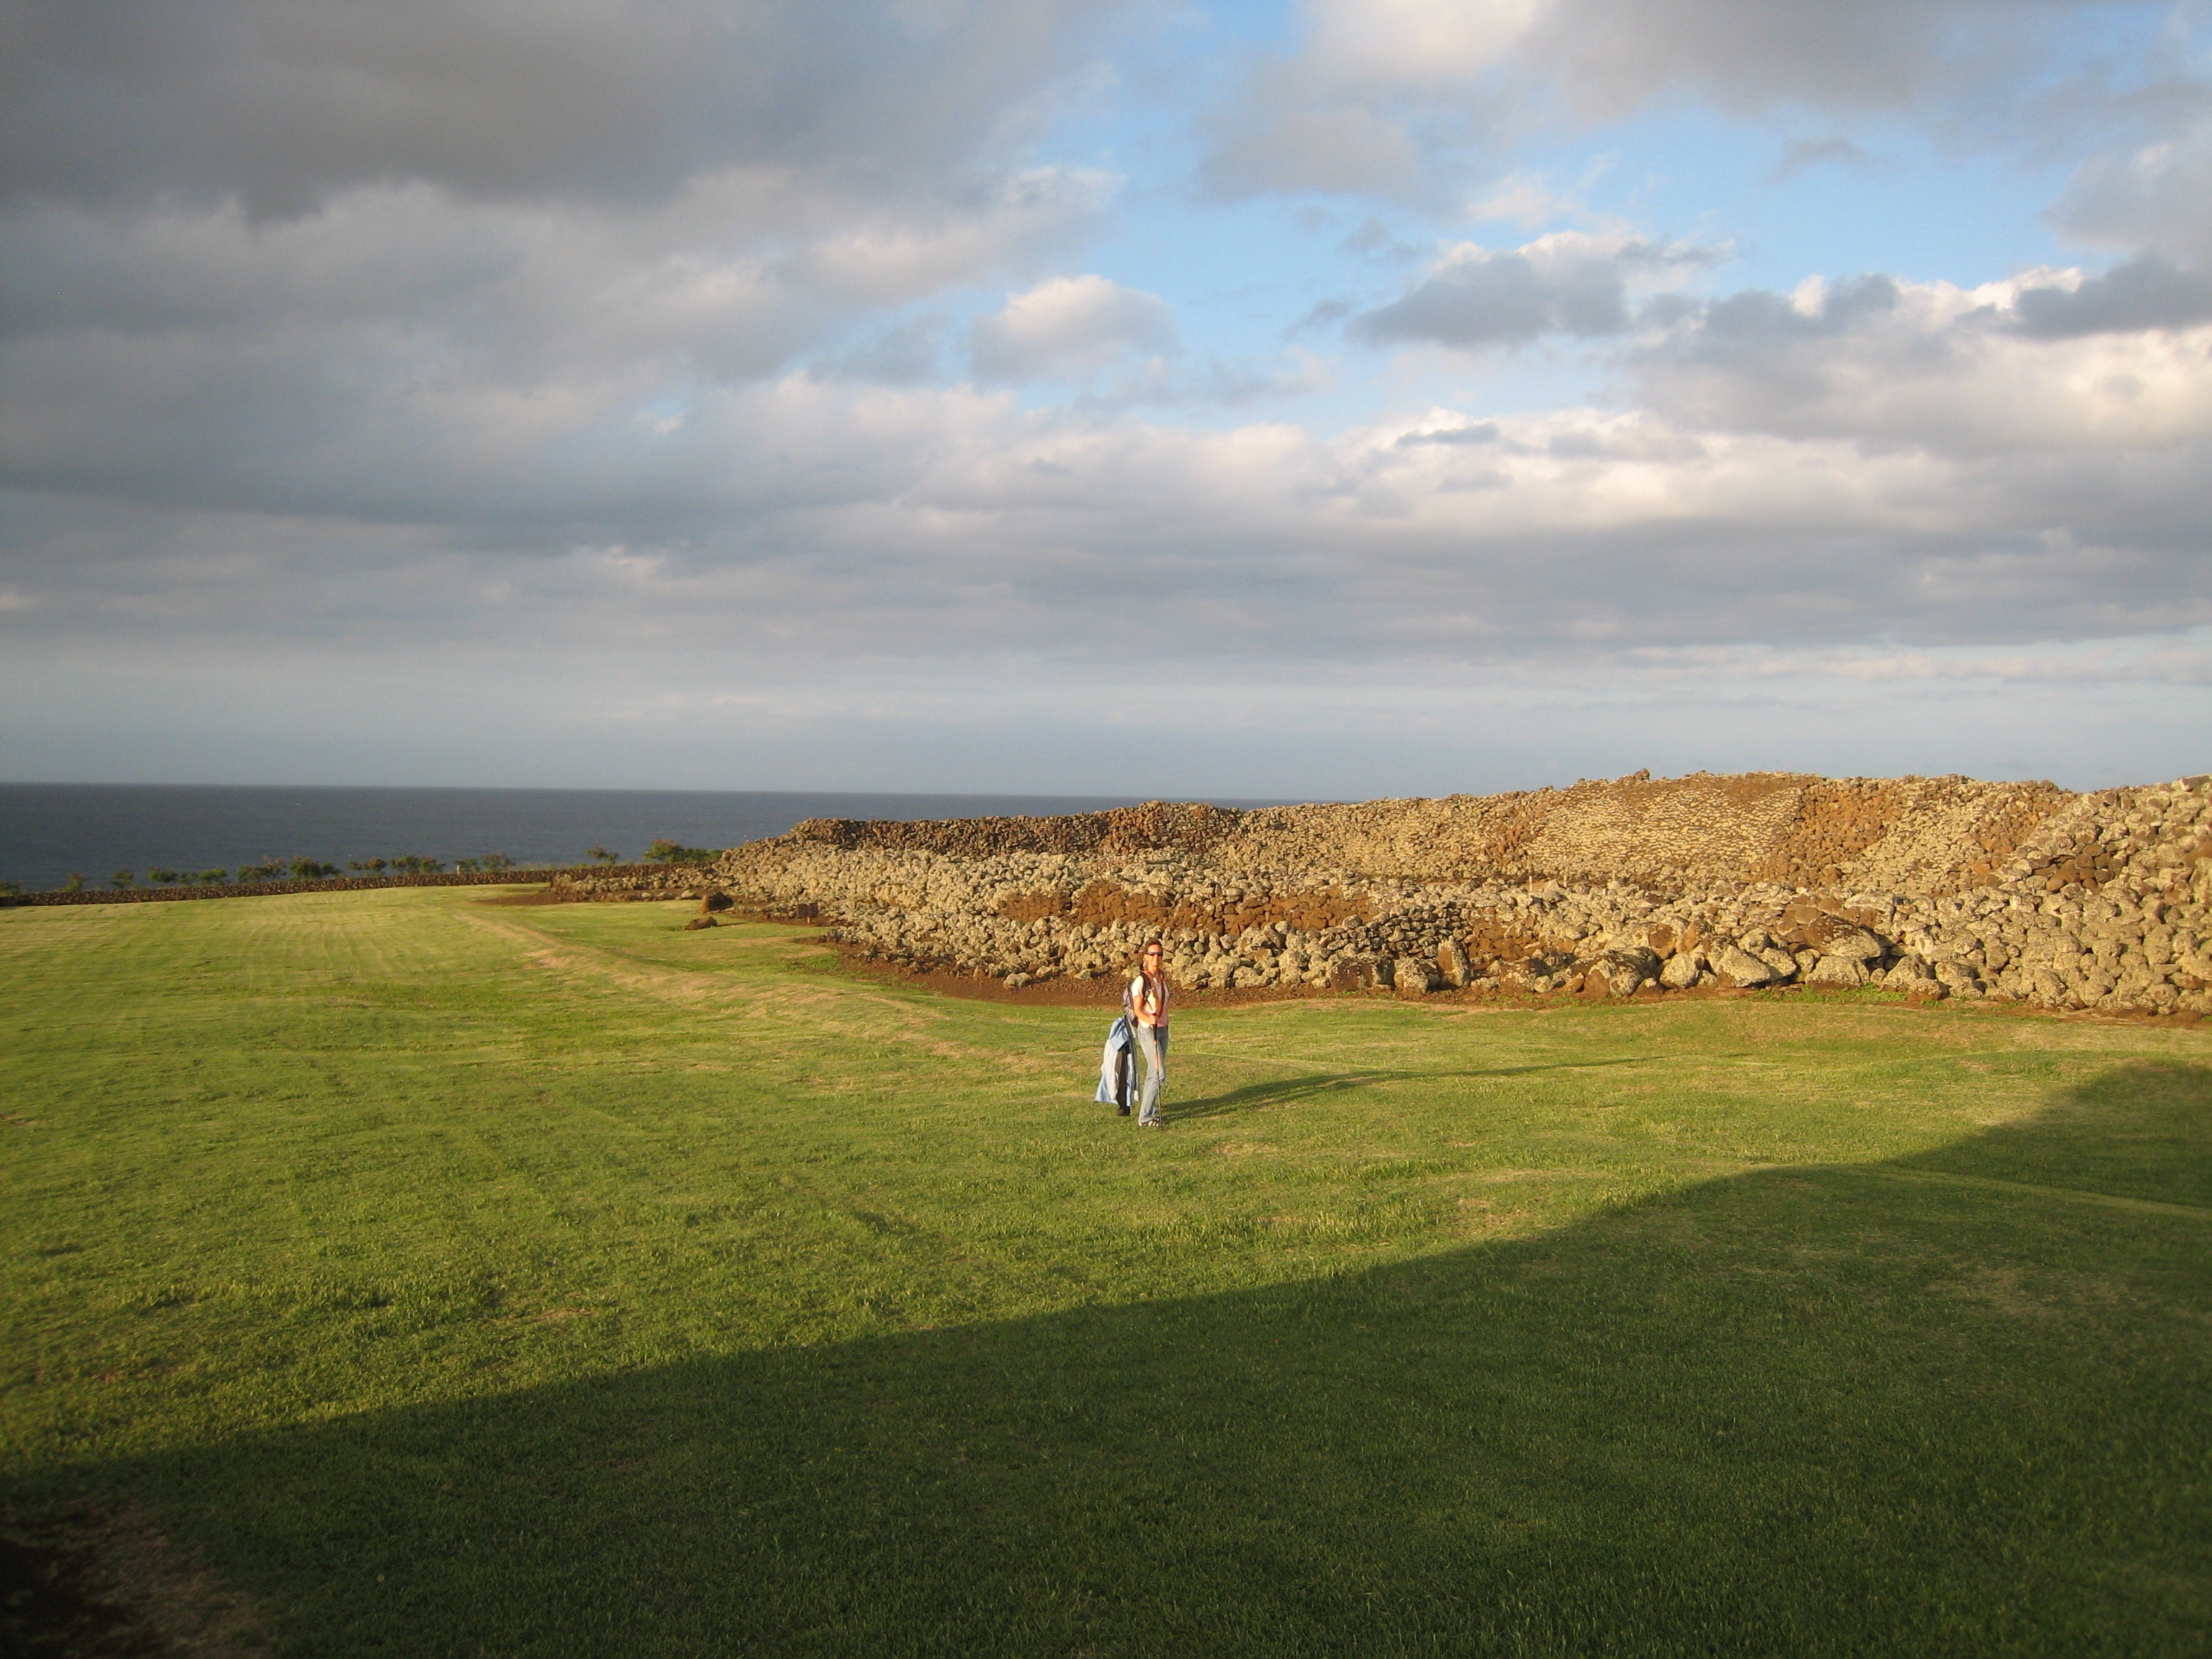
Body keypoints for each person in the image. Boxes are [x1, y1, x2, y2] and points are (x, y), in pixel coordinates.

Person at [1125, 940, 1171, 1128]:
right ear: (1146, 956)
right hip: (1148, 1030)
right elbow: (1138, 1010)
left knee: (1154, 1072)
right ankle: (1144, 1117)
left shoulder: (1161, 978)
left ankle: (1149, 1110)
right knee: (1159, 1073)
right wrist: (1148, 1018)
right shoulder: (1141, 981)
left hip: (1163, 1029)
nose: (1156, 957)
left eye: (1159, 954)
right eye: (1152, 954)